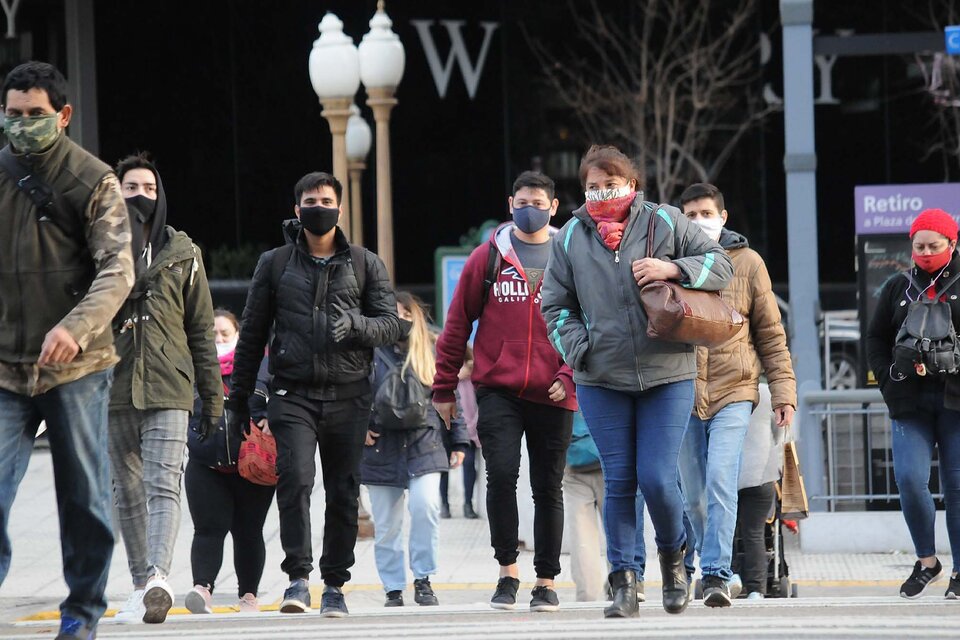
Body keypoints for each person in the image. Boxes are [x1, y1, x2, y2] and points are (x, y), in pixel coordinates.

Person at [541, 144, 733, 618]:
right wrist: (578, 349)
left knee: (656, 477)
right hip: (601, 378)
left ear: (631, 184)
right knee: (620, 479)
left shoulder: (664, 221)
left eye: (611, 183)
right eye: (592, 186)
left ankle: (673, 560)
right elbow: (554, 304)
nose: (602, 193)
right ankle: (623, 580)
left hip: (668, 372)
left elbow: (721, 265)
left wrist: (673, 268)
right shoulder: (570, 239)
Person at [0, 61, 134, 640]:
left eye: (35, 115)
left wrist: (75, 327)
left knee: (83, 499)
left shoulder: (93, 179)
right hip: (4, 365)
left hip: (75, 365)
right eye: (12, 114)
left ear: (63, 115)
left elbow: (118, 268)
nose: (22, 124)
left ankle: (82, 613)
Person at [229, 171, 400, 617]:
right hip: (293, 393)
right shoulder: (276, 263)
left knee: (343, 491)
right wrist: (241, 398)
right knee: (296, 481)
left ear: (339, 209)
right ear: (297, 209)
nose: (318, 206)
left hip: (350, 395)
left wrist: (356, 326)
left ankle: (336, 584)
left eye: (326, 199)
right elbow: (251, 334)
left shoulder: (364, 263)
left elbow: (391, 324)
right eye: (310, 200)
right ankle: (298, 579)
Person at [433, 170, 577, 613]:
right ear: (510, 203)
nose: (528, 208)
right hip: (498, 389)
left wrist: (569, 374)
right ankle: (507, 573)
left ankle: (547, 581)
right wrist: (443, 388)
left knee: (548, 487)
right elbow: (457, 323)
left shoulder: (572, 256)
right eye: (520, 201)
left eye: (537, 201)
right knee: (501, 474)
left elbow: (591, 322)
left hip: (554, 390)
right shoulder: (488, 257)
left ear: (553, 207)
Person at [108, 153, 222, 624]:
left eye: (149, 189)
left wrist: (212, 396)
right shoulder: (97, 248)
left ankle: (158, 576)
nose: (141, 196)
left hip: (169, 387)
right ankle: (141, 587)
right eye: (130, 188)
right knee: (125, 489)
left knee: (162, 484)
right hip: (111, 384)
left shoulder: (183, 254)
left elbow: (201, 329)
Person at [675, 182, 796, 607]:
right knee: (693, 496)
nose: (698, 221)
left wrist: (782, 392)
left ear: (723, 217)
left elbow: (771, 333)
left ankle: (715, 575)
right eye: (689, 215)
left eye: (705, 213)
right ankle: (690, 565)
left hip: (735, 389)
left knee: (721, 478)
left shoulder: (748, 263)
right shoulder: (670, 262)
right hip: (682, 392)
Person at [866, 207, 960, 600]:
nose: (924, 252)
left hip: (956, 401)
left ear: (952, 244)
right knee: (908, 478)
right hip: (909, 400)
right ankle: (927, 561)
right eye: (918, 245)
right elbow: (875, 339)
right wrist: (889, 380)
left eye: (933, 246)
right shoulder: (897, 286)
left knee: (957, 485)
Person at [362, 292, 469, 607]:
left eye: (406, 314)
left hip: (424, 443)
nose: (400, 321)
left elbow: (451, 395)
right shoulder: (368, 351)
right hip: (380, 445)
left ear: (416, 316)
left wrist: (459, 439)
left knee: (426, 508)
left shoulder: (432, 349)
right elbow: (353, 392)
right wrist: (359, 428)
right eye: (393, 314)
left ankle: (423, 578)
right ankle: (393, 587)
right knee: (386, 525)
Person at [184, 309, 275, 614]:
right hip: (205, 462)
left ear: (238, 335)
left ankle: (248, 596)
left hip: (251, 463)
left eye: (225, 333)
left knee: (249, 531)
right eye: (212, 334)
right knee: (208, 528)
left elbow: (280, 398)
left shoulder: (259, 365)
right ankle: (202, 588)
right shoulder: (192, 365)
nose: (218, 339)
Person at [564, 410, 647, 602]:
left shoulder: (563, 381)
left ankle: (588, 594)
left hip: (573, 460)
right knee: (619, 527)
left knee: (581, 534)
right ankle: (622, 583)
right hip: (612, 459)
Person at [734, 384, 781, 600]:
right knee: (754, 533)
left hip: (730, 474)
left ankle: (728, 579)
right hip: (763, 473)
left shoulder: (724, 387)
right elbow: (782, 435)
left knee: (728, 531)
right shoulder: (768, 392)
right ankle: (756, 590)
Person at [439, 345, 481, 519]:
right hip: (445, 423)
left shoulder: (473, 369)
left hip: (469, 424)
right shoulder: (443, 366)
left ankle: (468, 504)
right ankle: (445, 505)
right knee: (443, 467)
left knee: (469, 465)